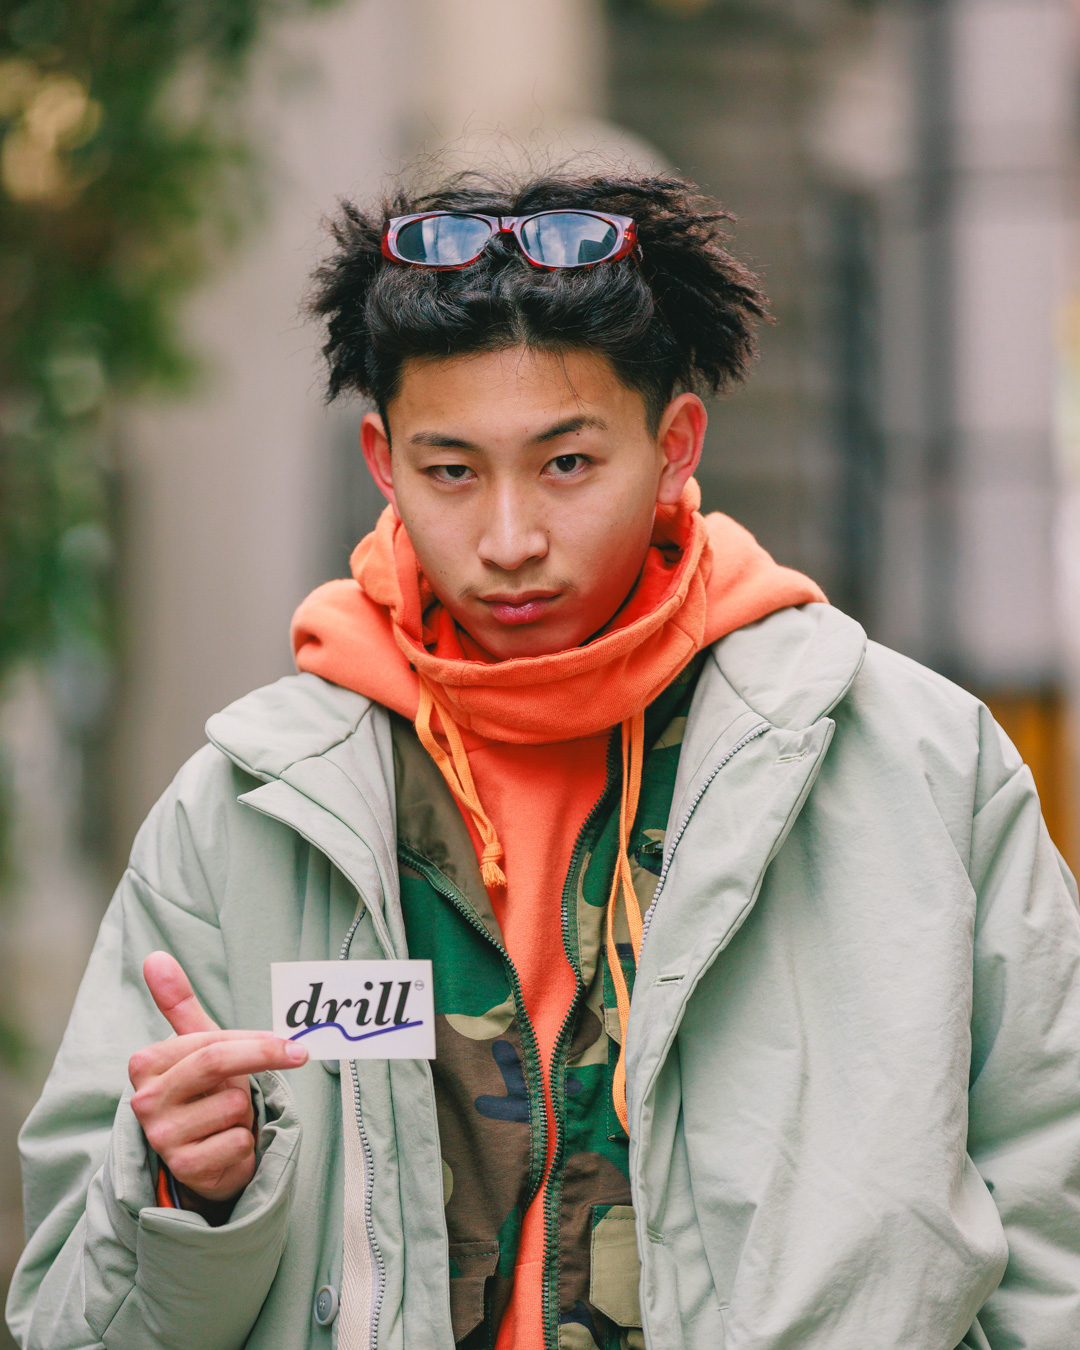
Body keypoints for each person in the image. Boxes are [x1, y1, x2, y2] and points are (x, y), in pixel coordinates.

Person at [7, 169, 1080, 1350]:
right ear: (383, 461)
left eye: (567, 465)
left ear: (675, 446)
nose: (510, 540)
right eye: (451, 472)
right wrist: (187, 1196)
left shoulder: (916, 770)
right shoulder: (245, 810)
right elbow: (67, 1318)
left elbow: (1056, 1217)